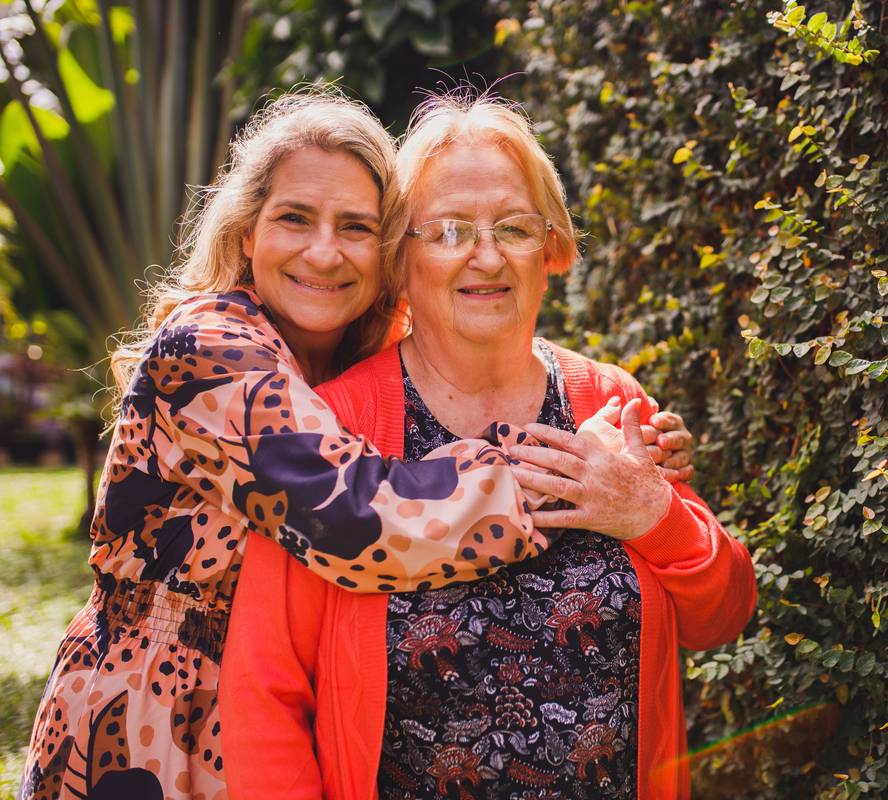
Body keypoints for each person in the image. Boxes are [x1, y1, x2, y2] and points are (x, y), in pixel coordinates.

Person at [18, 90, 625, 800]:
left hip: (284, 724)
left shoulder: (344, 358)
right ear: (247, 232)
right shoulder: (206, 349)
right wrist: (568, 467)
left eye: (356, 227)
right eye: (295, 219)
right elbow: (355, 515)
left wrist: (611, 425)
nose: (324, 251)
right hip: (154, 720)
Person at [221, 92, 757, 800]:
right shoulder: (335, 426)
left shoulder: (607, 403)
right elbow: (263, 691)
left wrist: (653, 513)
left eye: (513, 226)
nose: (485, 255)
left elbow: (723, 614)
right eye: (445, 230)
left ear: (552, 250)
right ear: (400, 262)